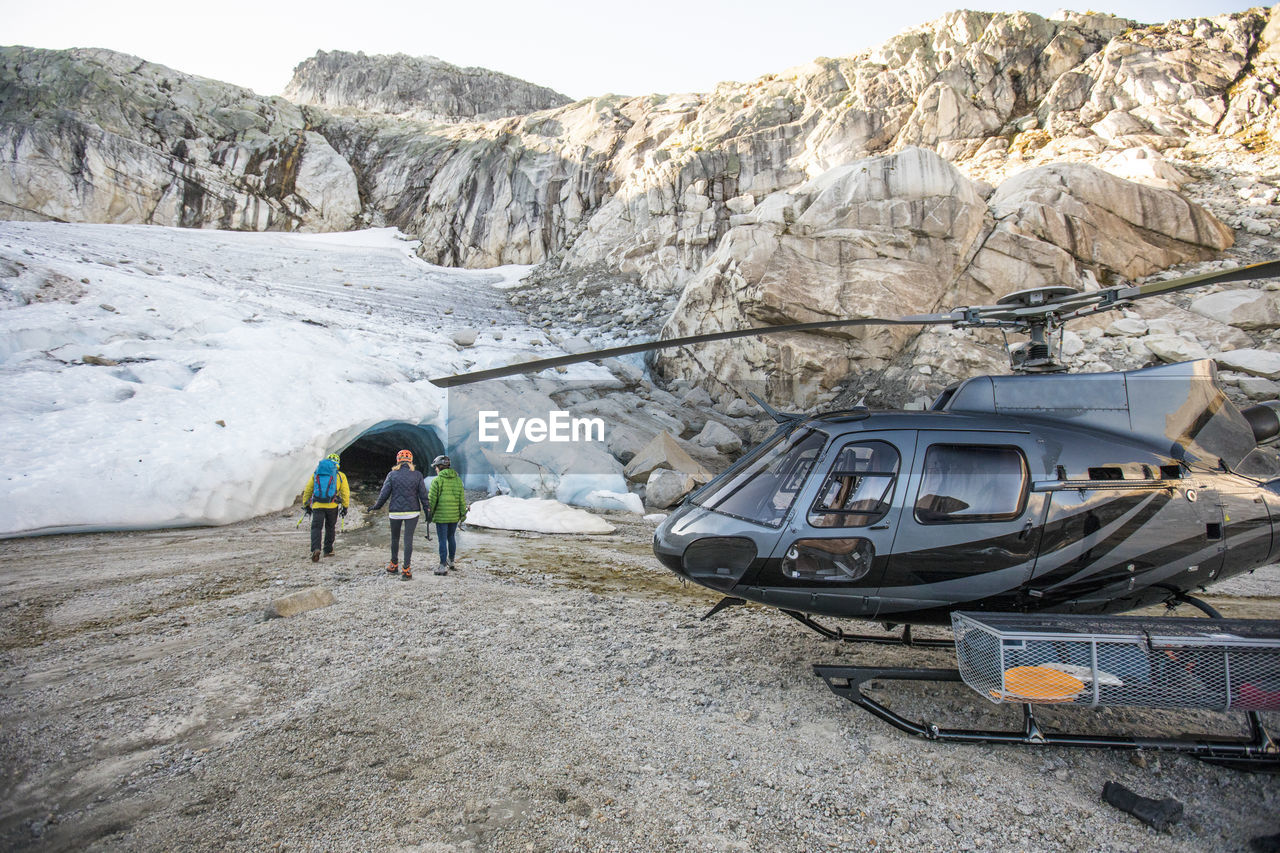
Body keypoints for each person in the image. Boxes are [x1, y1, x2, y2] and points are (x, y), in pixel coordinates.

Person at [368, 449, 430, 580]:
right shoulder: (417, 475)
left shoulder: (392, 474)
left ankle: (393, 564)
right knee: (408, 539)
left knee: (394, 538)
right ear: (411, 461)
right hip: (412, 512)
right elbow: (423, 495)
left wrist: (376, 506)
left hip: (395, 511)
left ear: (398, 461)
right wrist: (427, 511)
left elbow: (384, 494)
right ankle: (406, 569)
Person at [303, 452, 350, 562]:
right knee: (330, 527)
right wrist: (345, 506)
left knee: (316, 527)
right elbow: (345, 492)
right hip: (332, 505)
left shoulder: (317, 474)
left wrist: (306, 504)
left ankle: (316, 548)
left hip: (318, 505)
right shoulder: (340, 475)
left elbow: (308, 489)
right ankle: (328, 550)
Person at [428, 454, 467, 576]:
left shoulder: (437, 481)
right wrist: (462, 515)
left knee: (442, 540)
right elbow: (462, 500)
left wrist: (429, 513)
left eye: (436, 467)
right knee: (451, 537)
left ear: (439, 467)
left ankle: (442, 566)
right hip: (454, 516)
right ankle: (451, 561)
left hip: (441, 516)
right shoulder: (458, 480)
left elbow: (432, 500)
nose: (435, 469)